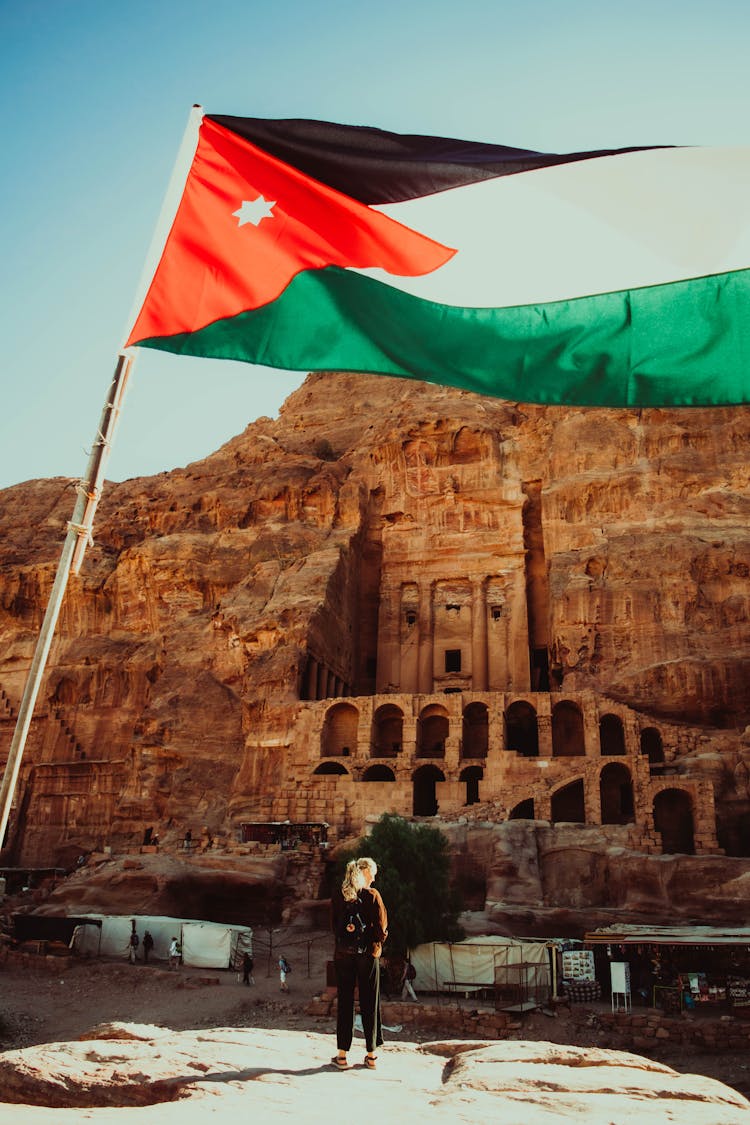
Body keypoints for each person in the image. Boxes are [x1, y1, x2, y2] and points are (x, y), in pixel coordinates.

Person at [330, 856, 388, 1071]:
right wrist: (376, 944)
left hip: (343, 954)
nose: (373, 879)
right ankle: (371, 1056)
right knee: (369, 1002)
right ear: (365, 872)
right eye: (372, 874)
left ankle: (342, 1056)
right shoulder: (372, 895)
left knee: (345, 1002)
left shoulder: (339, 894)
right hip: (367, 955)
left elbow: (334, 926)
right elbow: (382, 930)